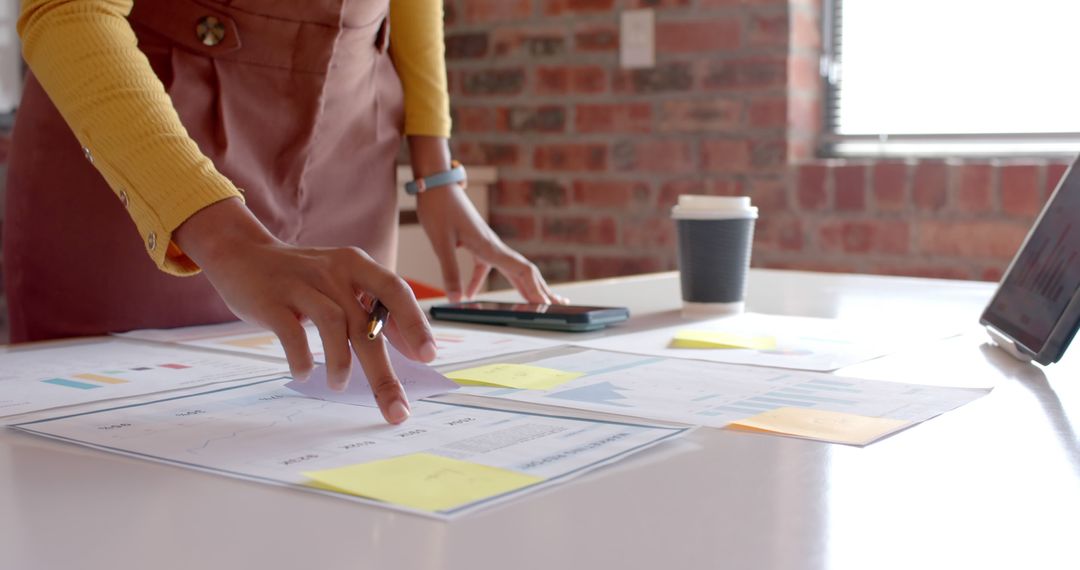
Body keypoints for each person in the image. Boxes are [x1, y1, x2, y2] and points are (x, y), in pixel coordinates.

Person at [3, 0, 563, 424]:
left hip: (350, 139)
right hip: (150, 141)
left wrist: (435, 167)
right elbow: (68, 9)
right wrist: (227, 241)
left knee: (338, 440)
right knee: (118, 456)